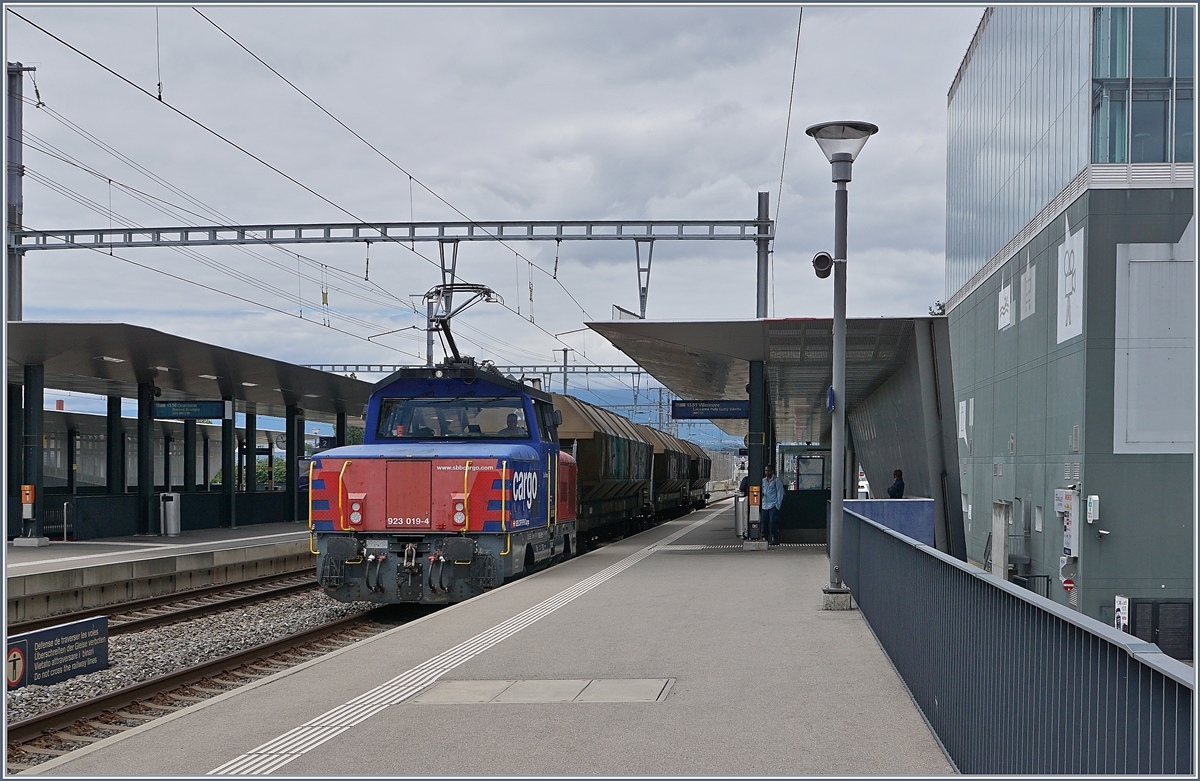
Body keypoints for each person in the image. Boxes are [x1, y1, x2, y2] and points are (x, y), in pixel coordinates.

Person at [760, 464, 784, 546]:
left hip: (773, 505)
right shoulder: (763, 481)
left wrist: (778, 505)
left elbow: (780, 493)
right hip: (764, 505)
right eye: (766, 471)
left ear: (772, 471)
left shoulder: (776, 481)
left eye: (769, 471)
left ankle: (774, 537)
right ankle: (764, 537)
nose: (767, 472)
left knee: (773, 522)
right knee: (764, 522)